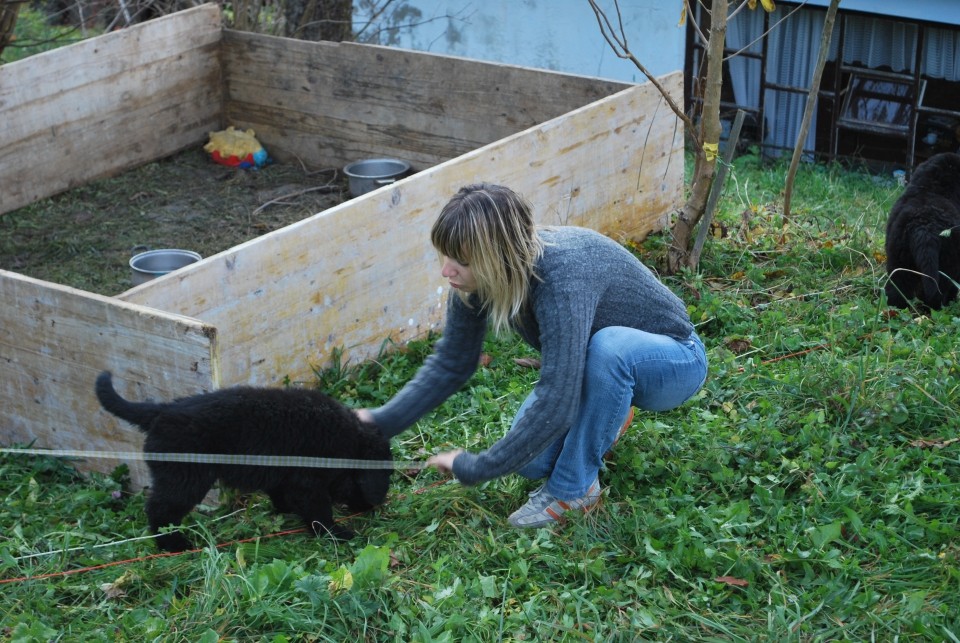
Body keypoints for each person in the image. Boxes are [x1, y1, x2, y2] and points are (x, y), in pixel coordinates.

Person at [356, 183, 707, 528]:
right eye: (445, 255)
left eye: (461, 261)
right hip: (594, 365)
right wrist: (379, 423)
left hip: (675, 360)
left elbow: (557, 396)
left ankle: (573, 488)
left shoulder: (561, 276)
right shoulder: (475, 280)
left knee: (609, 349)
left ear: (499, 257)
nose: (446, 270)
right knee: (530, 461)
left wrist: (477, 466)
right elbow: (451, 364)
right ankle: (610, 406)